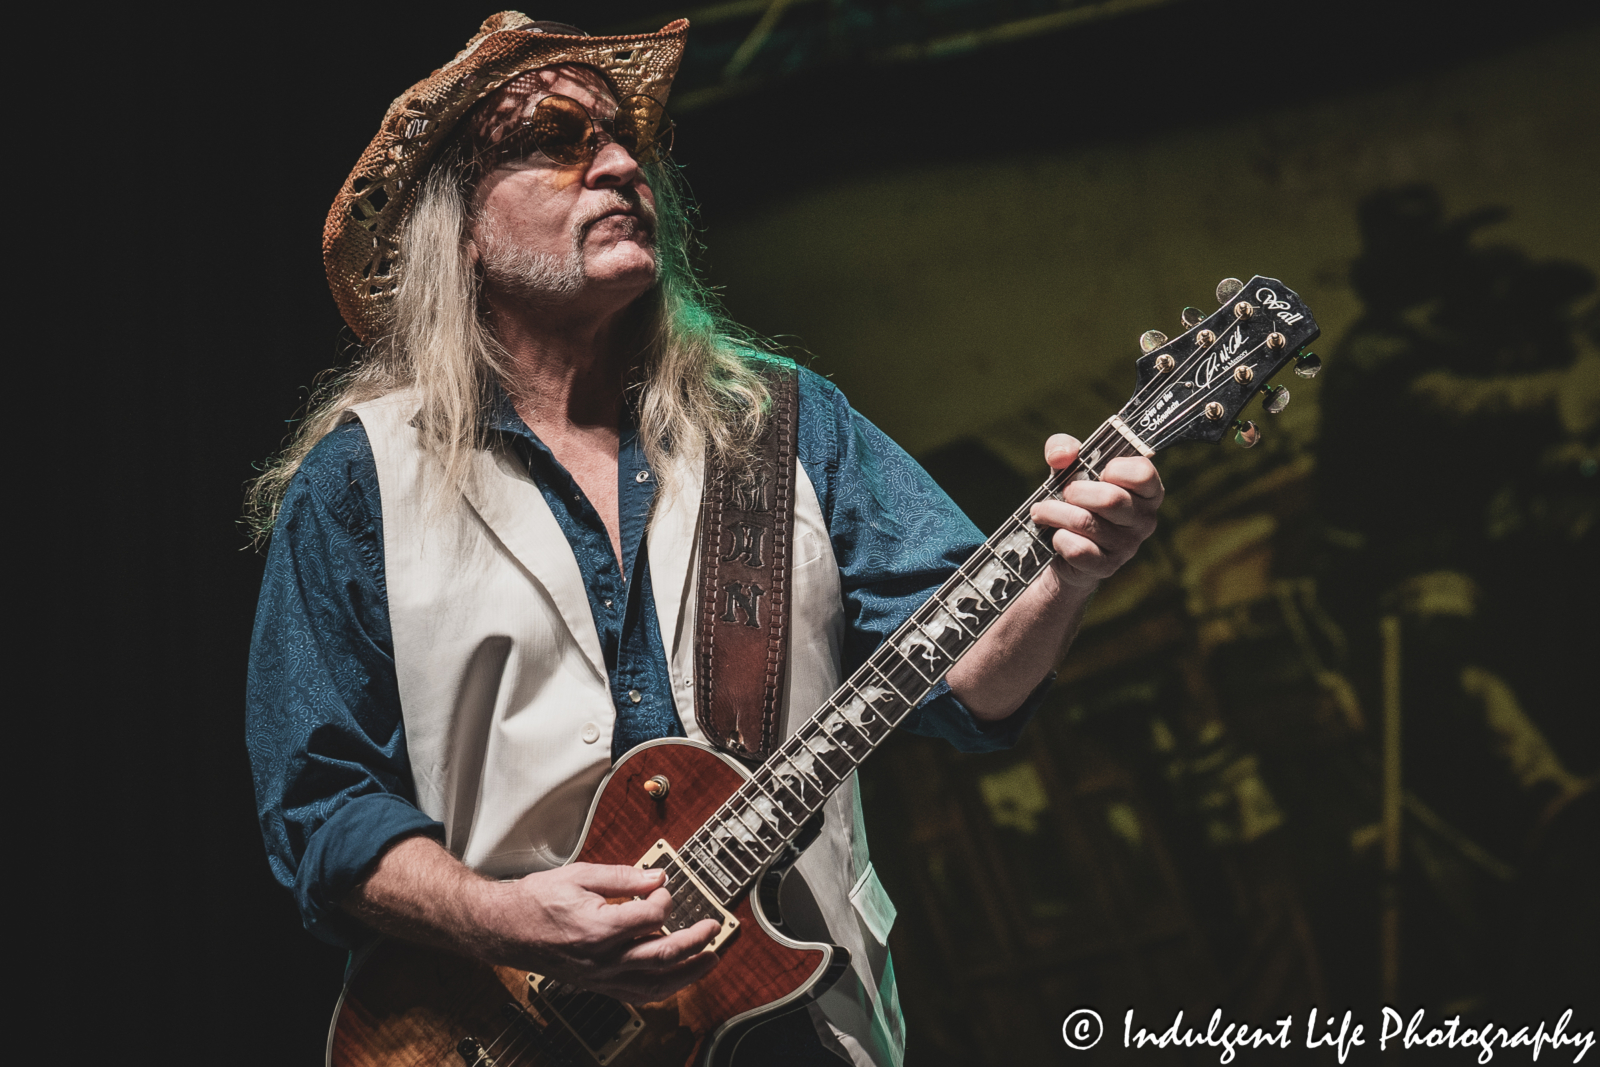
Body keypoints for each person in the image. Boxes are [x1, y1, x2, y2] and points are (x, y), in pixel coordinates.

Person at [246, 13, 1162, 1066]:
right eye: (557, 137)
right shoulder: (360, 481)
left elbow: (969, 686)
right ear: (457, 221)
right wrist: (501, 917)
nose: (624, 161)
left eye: (630, 137)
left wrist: (1065, 576)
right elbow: (322, 807)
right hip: (502, 1028)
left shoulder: (781, 426)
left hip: (803, 1031)